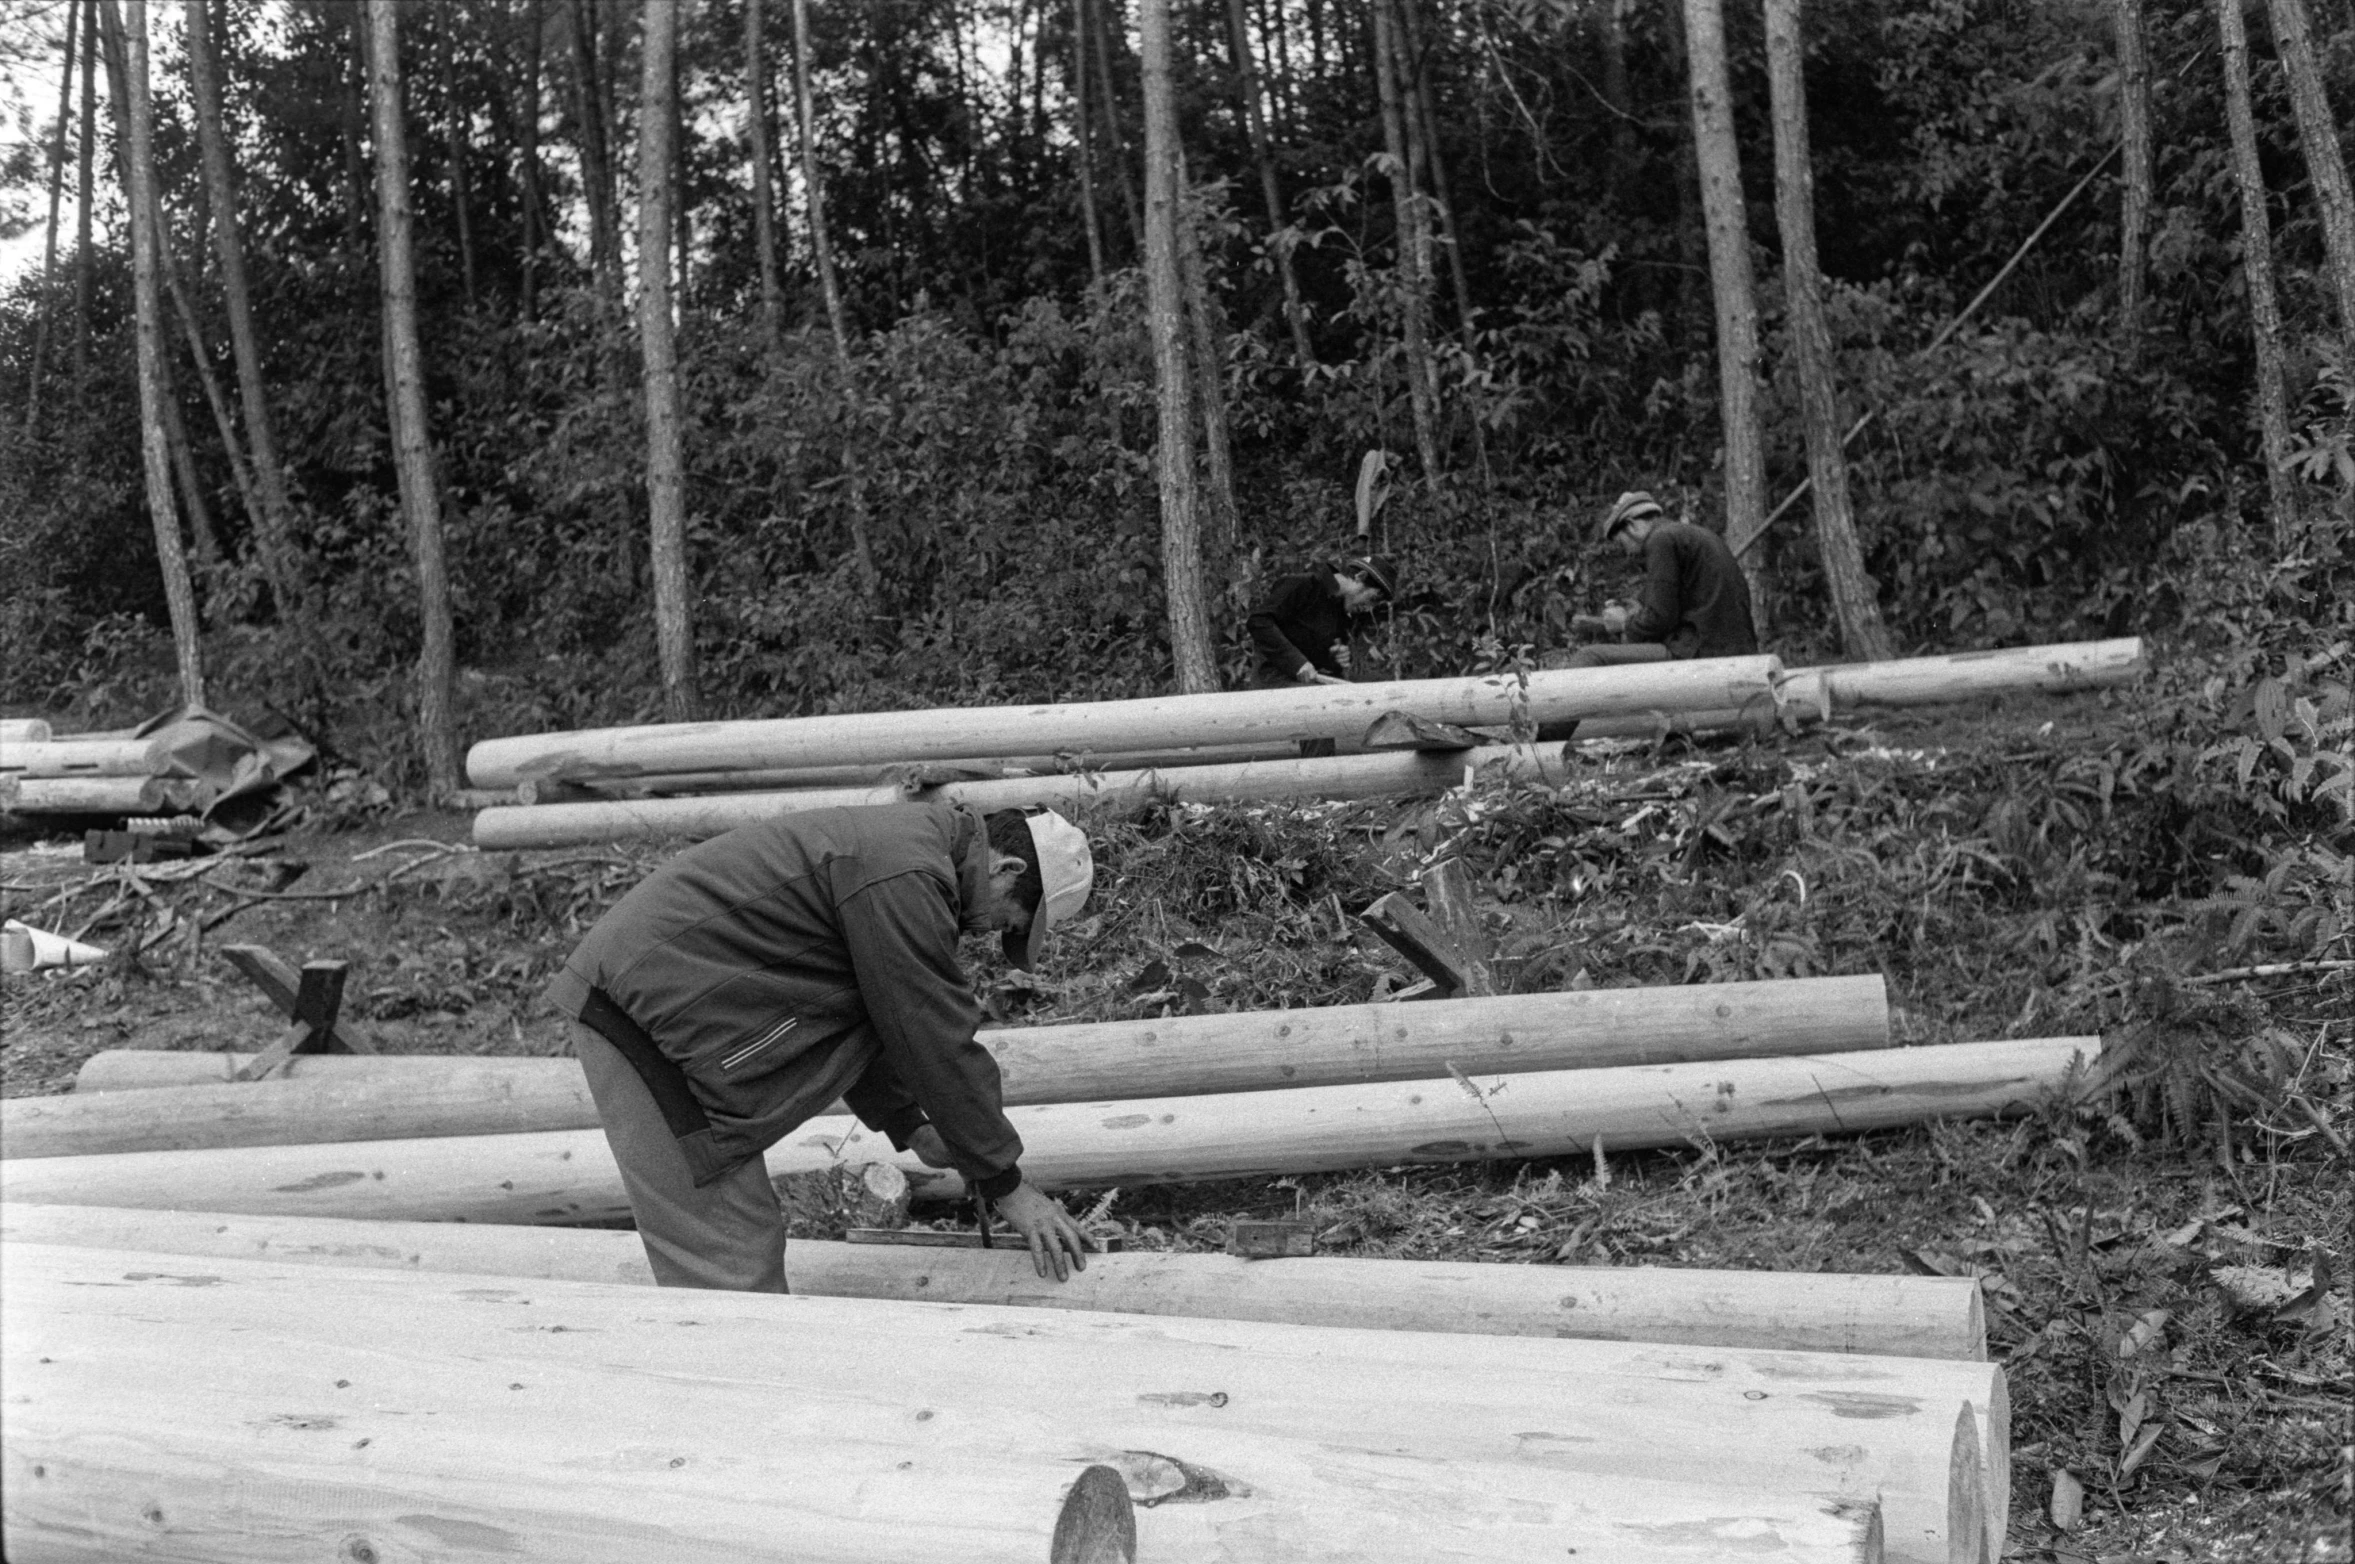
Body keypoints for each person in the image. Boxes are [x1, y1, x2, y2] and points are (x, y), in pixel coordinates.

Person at [546, 802, 1097, 1293]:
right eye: (1010, 919)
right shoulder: (903, 871)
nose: (993, 932)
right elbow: (931, 1033)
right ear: (1007, 868)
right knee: (729, 1265)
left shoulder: (903, 854)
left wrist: (909, 1124)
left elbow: (868, 1013)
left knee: (738, 1251)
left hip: (668, 1010)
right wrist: (1008, 1186)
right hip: (643, 1015)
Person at [1559, 491, 1757, 668]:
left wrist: (1624, 623)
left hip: (1700, 651)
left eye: (1622, 542)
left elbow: (1660, 619)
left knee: (1590, 657)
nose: (1627, 552)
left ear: (1631, 524)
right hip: (1733, 648)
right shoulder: (1686, 535)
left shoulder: (1661, 540)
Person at [1244, 555, 1401, 689]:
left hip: (1309, 686)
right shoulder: (1303, 585)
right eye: (1372, 599)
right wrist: (1296, 663)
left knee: (1378, 685)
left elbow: (1323, 665)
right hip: (1273, 683)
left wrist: (1334, 657)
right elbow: (1259, 621)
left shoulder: (1343, 613)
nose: (1368, 609)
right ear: (1360, 577)